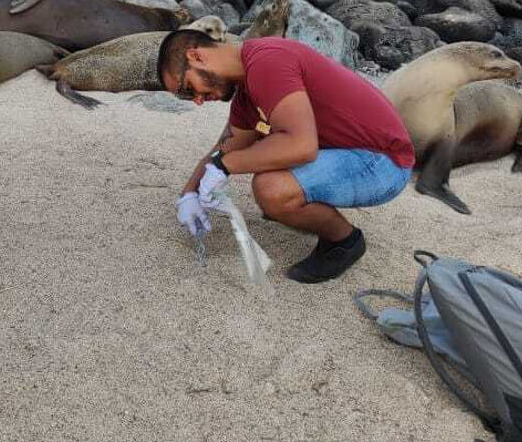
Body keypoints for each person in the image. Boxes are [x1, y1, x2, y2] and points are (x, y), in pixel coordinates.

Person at [157, 31, 416, 283]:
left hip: (384, 162)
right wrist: (189, 194)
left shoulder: (267, 62)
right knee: (268, 161)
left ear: (196, 56)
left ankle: (344, 241)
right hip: (354, 150)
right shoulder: (247, 92)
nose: (197, 101)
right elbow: (226, 147)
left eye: (187, 89)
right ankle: (299, 208)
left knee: (271, 189)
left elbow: (302, 145)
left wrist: (224, 166)